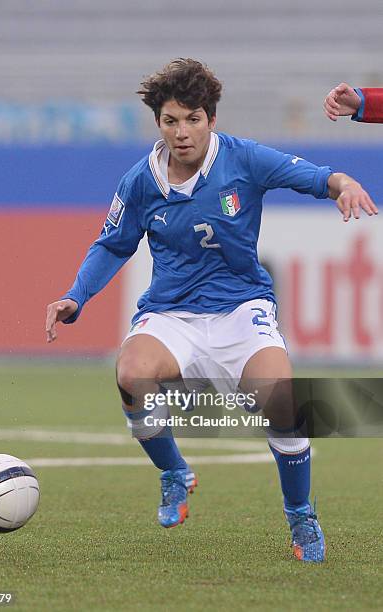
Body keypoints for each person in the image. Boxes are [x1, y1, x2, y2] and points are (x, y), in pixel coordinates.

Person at [46, 59, 378, 563]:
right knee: (132, 372)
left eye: (193, 119)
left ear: (211, 120)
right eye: (171, 121)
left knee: (284, 406)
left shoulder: (243, 159)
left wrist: (344, 184)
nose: (183, 132)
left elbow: (315, 176)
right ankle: (175, 473)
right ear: (158, 123)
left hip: (242, 310)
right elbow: (113, 245)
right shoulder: (141, 180)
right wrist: (76, 296)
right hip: (171, 315)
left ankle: (300, 514)